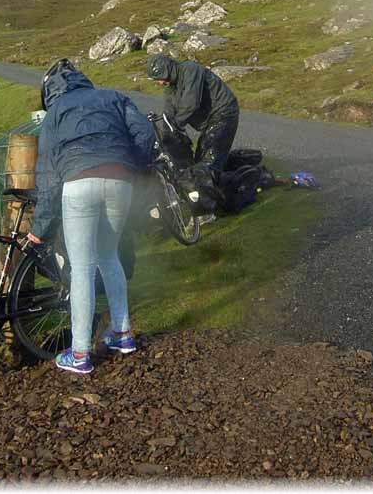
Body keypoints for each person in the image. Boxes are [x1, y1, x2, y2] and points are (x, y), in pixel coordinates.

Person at [29, 58, 156, 376]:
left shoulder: (55, 114)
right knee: (109, 255)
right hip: (120, 182)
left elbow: (47, 174)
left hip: (78, 184)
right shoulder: (113, 97)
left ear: (51, 92)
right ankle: (122, 333)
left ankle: (81, 353)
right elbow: (145, 132)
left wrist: (39, 227)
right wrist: (131, 164)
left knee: (82, 267)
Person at [145, 53, 240, 208]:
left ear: (168, 69)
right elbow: (168, 115)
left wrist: (176, 124)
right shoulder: (170, 90)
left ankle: (208, 210)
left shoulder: (190, 69)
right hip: (209, 122)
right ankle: (220, 197)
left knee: (208, 162)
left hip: (224, 112)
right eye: (157, 79)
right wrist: (166, 137)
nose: (160, 82)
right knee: (200, 163)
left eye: (161, 77)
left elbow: (191, 103)